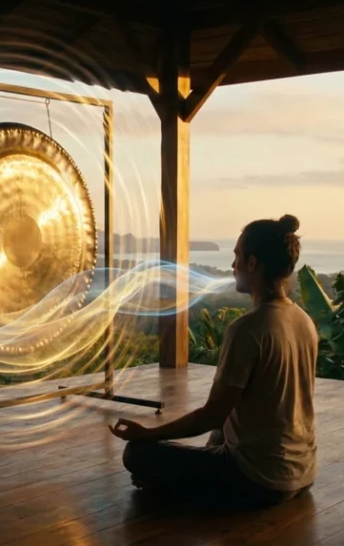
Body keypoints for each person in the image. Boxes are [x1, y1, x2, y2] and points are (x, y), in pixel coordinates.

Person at [109, 214, 318, 509]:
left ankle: (175, 489)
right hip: (302, 472)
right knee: (222, 433)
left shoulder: (248, 329)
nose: (233, 266)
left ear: (253, 264)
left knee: (137, 454)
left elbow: (210, 416)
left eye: (237, 257)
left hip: (259, 479)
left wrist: (148, 434)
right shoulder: (303, 320)